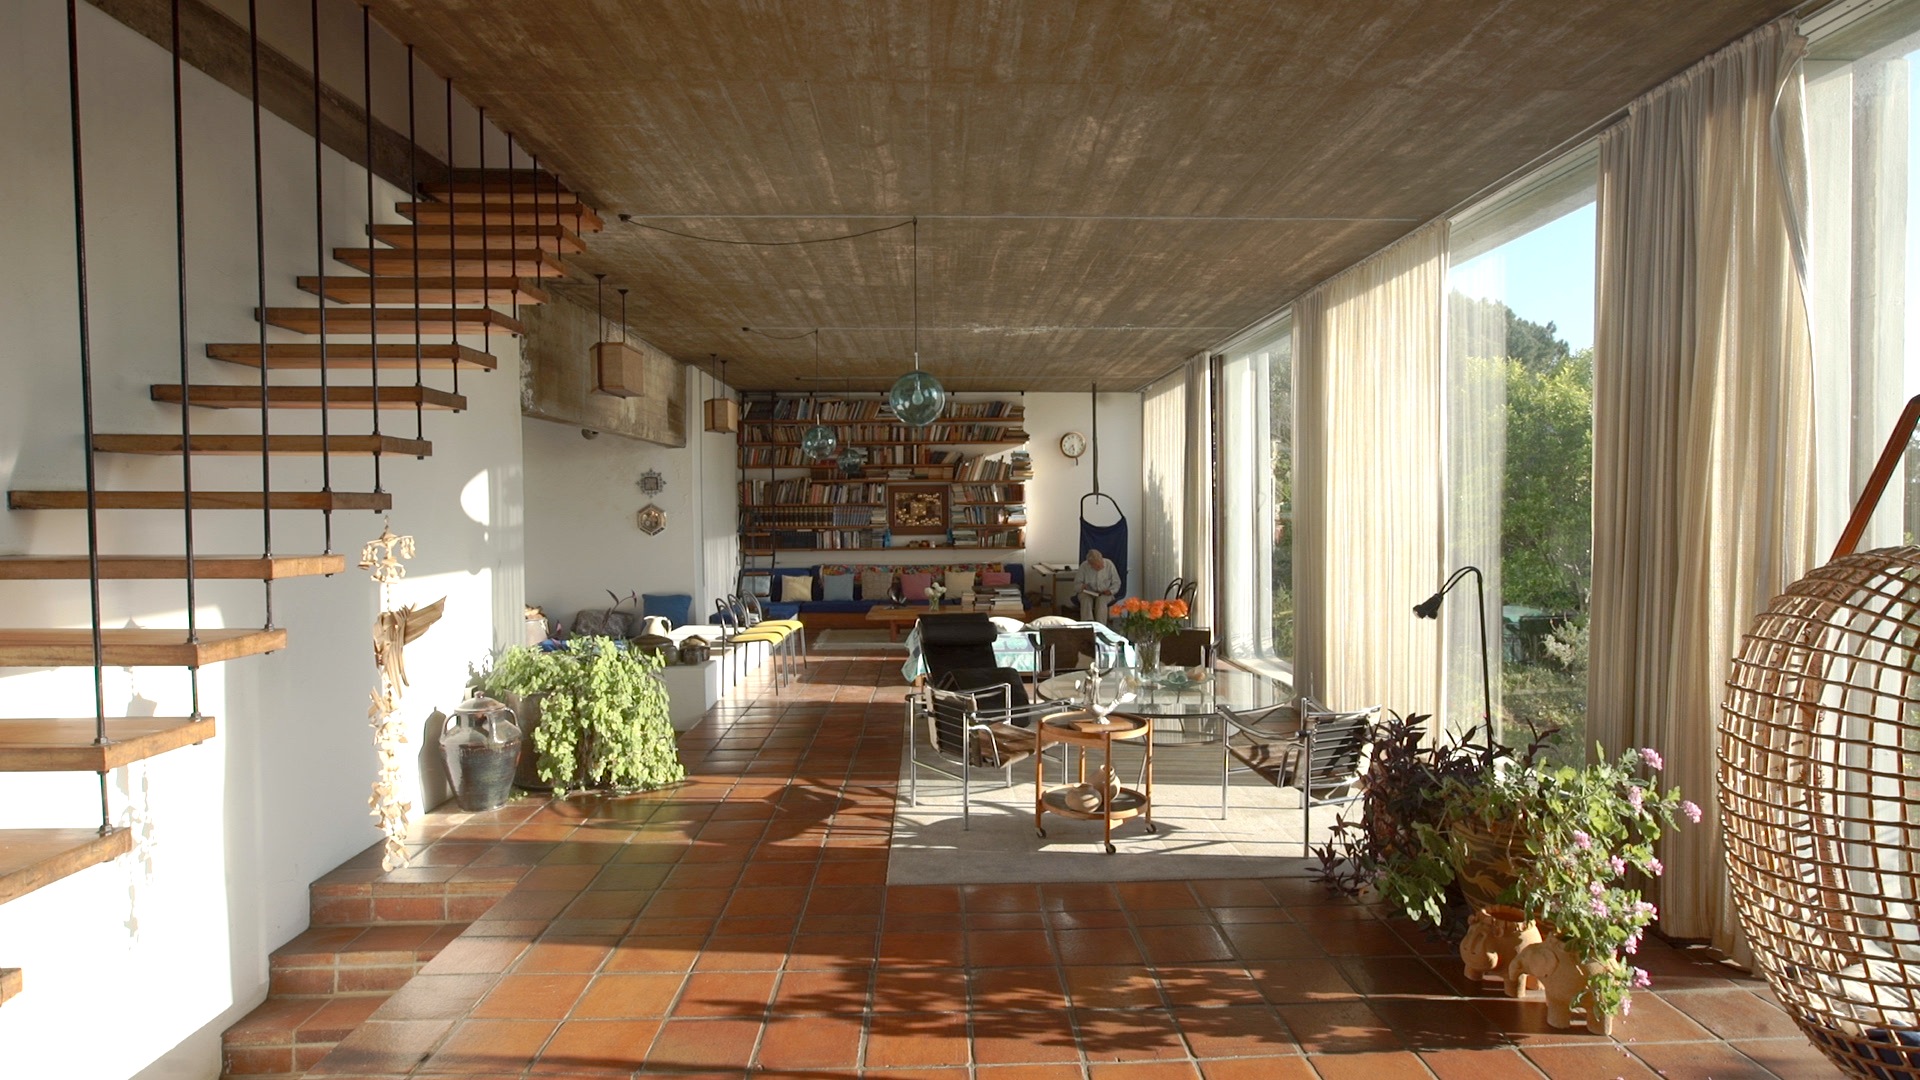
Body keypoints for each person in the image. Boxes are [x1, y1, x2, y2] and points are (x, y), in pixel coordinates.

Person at [1075, 548, 1120, 624]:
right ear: (1090, 564)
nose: (1100, 567)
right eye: (1097, 566)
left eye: (1101, 564)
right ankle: (1088, 625)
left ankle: (1101, 627)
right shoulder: (1084, 566)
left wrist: (1110, 591)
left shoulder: (1109, 564)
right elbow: (1076, 585)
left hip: (1105, 593)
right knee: (1086, 600)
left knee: (1101, 601)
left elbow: (1117, 583)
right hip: (1088, 593)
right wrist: (1082, 586)